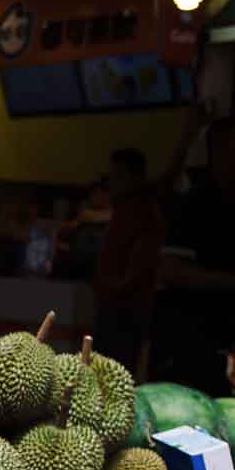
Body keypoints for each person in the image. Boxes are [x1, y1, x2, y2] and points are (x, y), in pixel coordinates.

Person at [154, 117, 235, 393]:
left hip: (215, 338)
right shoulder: (196, 202)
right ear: (219, 150)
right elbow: (171, 271)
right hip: (183, 340)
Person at [93, 148, 164, 380]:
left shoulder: (142, 211)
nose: (111, 182)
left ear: (133, 178)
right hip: (112, 306)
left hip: (125, 311)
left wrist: (118, 286)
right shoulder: (122, 209)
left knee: (116, 374)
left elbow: (142, 259)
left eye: (117, 175)